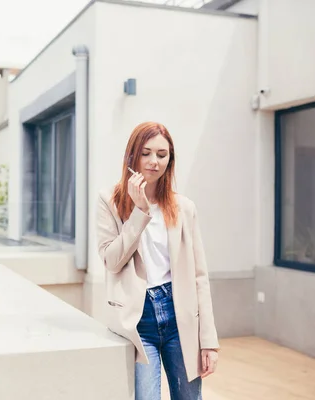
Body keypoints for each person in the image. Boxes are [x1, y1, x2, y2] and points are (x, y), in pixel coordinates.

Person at [96, 121, 219, 400]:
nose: (154, 162)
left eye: (162, 155)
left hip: (180, 315)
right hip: (140, 319)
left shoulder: (184, 208)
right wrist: (139, 212)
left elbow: (200, 276)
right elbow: (111, 260)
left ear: (170, 160)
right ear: (133, 156)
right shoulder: (110, 201)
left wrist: (208, 341)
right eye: (146, 153)